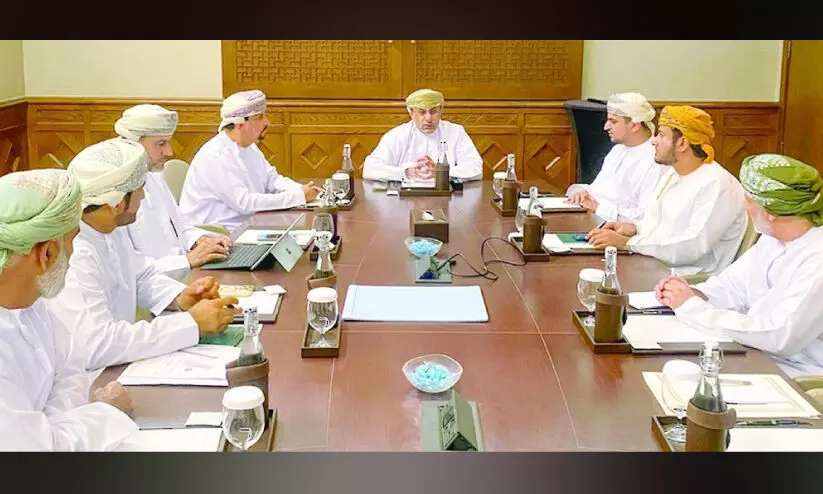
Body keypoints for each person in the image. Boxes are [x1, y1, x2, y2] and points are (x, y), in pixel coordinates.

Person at [48, 138, 241, 373]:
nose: (143, 197)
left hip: (121, 363)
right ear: (117, 204)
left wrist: (180, 297)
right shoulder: (75, 254)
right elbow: (97, 346)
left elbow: (140, 276)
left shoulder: (109, 228)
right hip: (91, 378)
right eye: (140, 189)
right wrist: (191, 323)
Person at [0, 169, 139, 451]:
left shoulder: (32, 304)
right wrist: (106, 413)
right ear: (47, 253)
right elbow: (38, 455)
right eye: (73, 239)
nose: (74, 252)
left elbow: (71, 373)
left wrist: (52, 427)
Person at [656, 153, 823, 377]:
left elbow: (778, 335)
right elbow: (733, 286)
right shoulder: (772, 239)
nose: (745, 205)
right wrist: (693, 294)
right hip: (751, 354)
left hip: (795, 375)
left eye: (750, 200)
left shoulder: (817, 259)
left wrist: (692, 308)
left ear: (770, 212)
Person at [587, 105, 747, 277]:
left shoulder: (718, 184)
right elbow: (663, 225)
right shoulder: (673, 172)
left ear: (682, 143)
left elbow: (692, 247)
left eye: (662, 135)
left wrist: (628, 243)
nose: (653, 141)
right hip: (654, 263)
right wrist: (633, 228)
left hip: (689, 278)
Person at [178, 89, 322, 232]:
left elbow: (272, 179)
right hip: (219, 234)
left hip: (250, 223)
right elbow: (244, 203)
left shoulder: (249, 147)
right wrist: (298, 196)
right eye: (259, 117)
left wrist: (303, 190)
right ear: (240, 124)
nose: (267, 122)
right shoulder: (216, 155)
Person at [116, 104, 231, 280]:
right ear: (134, 143)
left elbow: (179, 226)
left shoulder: (154, 176)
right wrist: (187, 261)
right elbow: (132, 271)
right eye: (161, 144)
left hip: (183, 273)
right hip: (157, 284)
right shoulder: (114, 193)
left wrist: (200, 240)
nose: (169, 152)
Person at [565, 92, 664, 222]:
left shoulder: (655, 161)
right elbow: (597, 190)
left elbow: (642, 216)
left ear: (635, 125)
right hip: (591, 219)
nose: (606, 127)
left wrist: (598, 208)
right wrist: (580, 192)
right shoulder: (617, 150)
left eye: (613, 122)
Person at [362, 88, 483, 182]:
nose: (428, 118)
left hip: (448, 199)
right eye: (422, 112)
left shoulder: (456, 132)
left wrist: (440, 172)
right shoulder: (397, 135)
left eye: (433, 111)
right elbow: (370, 169)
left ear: (441, 110)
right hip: (405, 201)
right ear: (411, 113)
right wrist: (406, 172)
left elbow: (476, 169)